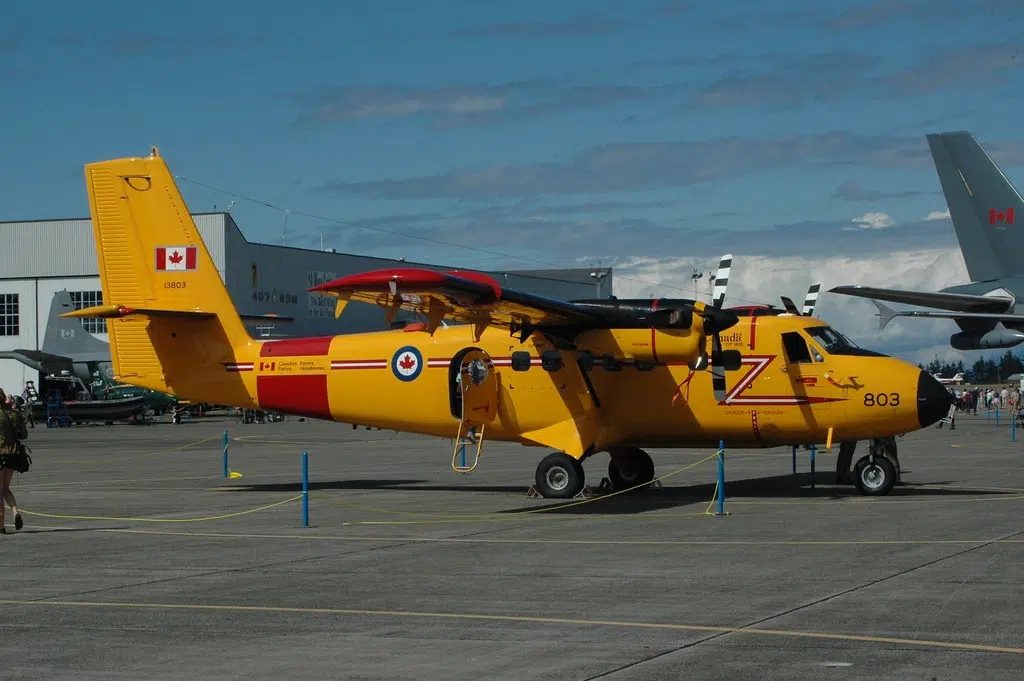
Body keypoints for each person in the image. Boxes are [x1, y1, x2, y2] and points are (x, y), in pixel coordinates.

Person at [0, 388, 30, 533]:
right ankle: (15, 511)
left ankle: (1, 526)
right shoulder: (15, 413)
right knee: (5, 488)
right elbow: (24, 434)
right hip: (13, 454)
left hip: (0, 453)